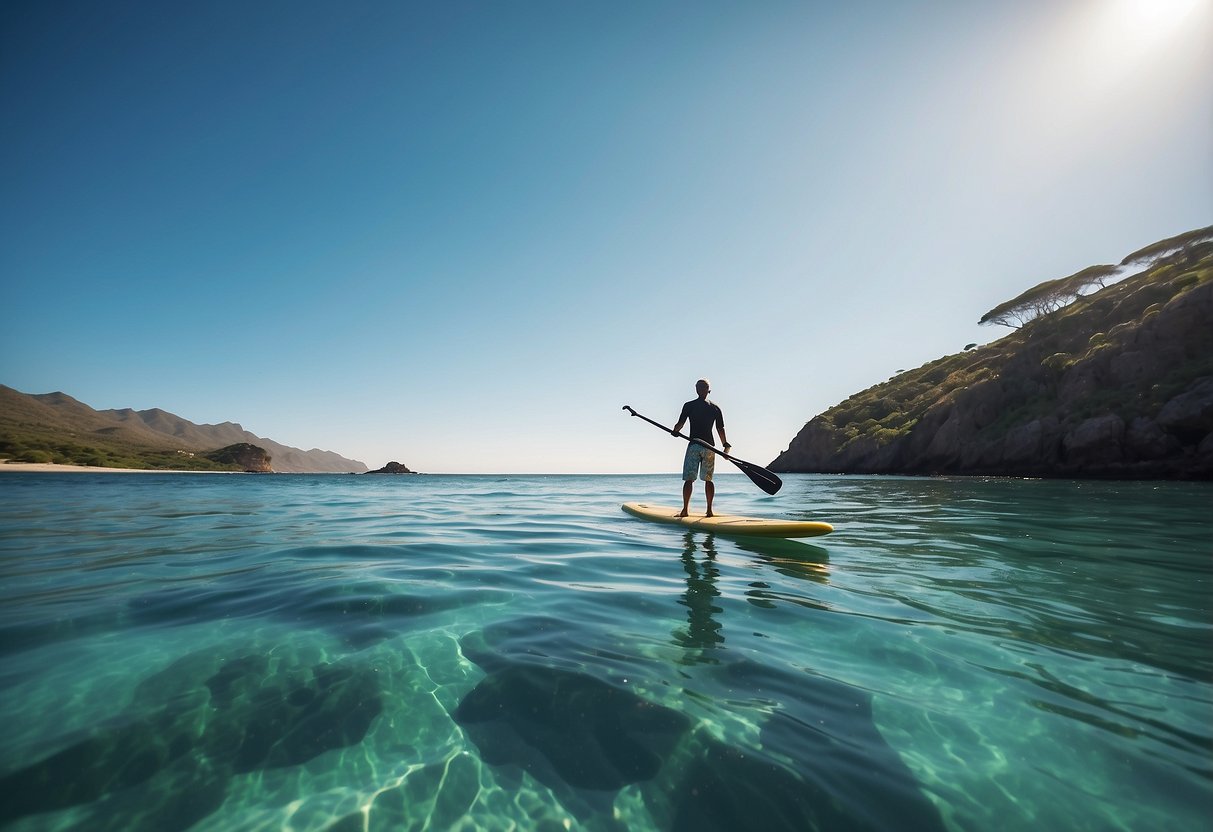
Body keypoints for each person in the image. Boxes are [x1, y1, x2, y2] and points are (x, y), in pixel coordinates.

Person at [671, 379, 730, 518]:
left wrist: (675, 431)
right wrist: (725, 445)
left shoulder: (689, 405)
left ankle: (685, 511)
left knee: (689, 479)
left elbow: (680, 423)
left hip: (694, 445)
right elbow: (720, 429)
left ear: (697, 390)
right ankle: (709, 511)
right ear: (708, 390)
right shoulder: (715, 407)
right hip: (710, 447)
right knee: (708, 479)